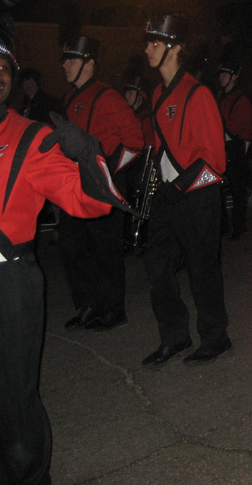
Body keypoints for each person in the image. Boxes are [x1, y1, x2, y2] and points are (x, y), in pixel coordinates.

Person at [0, 0, 132, 485]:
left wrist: (87, 156)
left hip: (8, 287)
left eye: (1, 65)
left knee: (15, 409)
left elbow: (90, 204)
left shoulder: (32, 136)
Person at [141, 14, 232, 368]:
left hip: (197, 195)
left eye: (155, 43)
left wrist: (179, 185)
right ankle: (174, 336)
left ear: (175, 48)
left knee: (202, 269)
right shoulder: (156, 93)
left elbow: (215, 160)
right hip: (168, 194)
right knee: (157, 267)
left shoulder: (198, 92)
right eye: (148, 42)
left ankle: (216, 337)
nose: (147, 49)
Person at [59, 36, 145, 332]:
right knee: (72, 246)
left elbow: (135, 141)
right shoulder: (70, 97)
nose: (65, 65)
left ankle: (113, 308)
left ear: (89, 62)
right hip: (75, 186)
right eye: (65, 60)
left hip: (103, 185)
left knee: (105, 249)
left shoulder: (108, 97)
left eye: (71, 59)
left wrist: (105, 173)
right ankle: (88, 305)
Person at [216, 53, 252, 240]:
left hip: (234, 147)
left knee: (238, 191)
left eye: (225, 74)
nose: (221, 77)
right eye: (220, 74)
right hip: (219, 147)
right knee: (217, 190)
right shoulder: (219, 97)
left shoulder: (241, 100)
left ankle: (239, 227)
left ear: (233, 77)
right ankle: (222, 226)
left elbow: (245, 130)